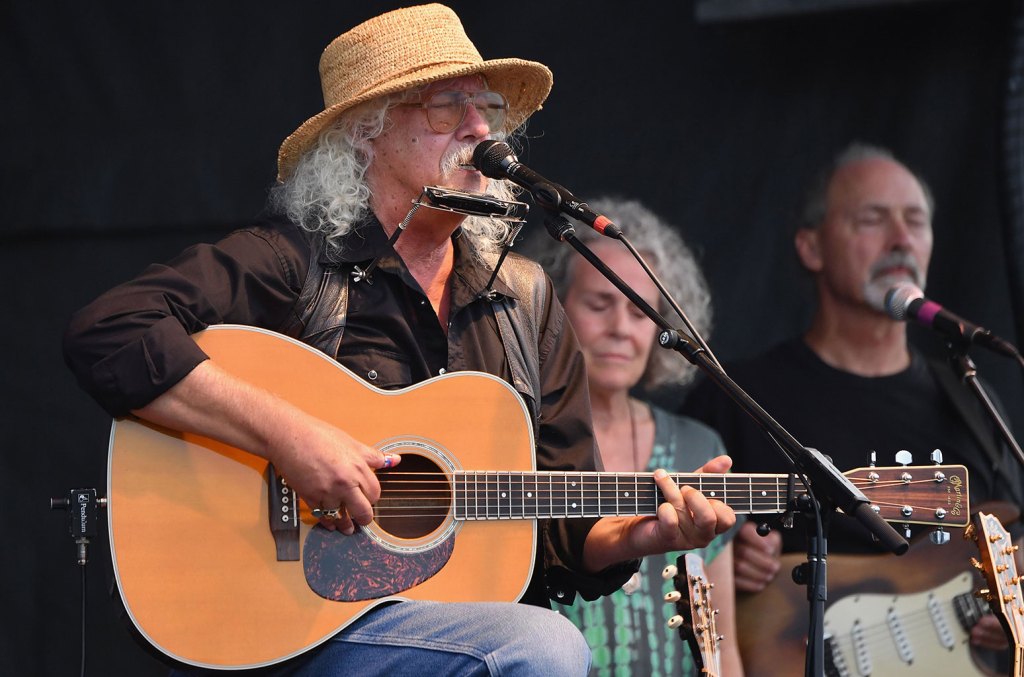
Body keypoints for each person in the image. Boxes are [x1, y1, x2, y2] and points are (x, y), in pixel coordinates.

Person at [63, 5, 735, 676]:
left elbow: (561, 522)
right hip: (297, 625)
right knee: (544, 647)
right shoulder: (292, 263)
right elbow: (110, 331)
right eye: (447, 107)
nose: (479, 129)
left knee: (541, 637)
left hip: (444, 625)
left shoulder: (525, 300)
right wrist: (289, 437)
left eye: (487, 108)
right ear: (366, 131)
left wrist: (644, 535)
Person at [681, 142, 1024, 671]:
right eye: (873, 218)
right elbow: (679, 533)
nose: (901, 239)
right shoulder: (739, 398)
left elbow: (1011, 538)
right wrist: (723, 547)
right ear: (811, 247)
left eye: (916, 221)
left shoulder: (970, 397)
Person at [532, 197, 745, 676]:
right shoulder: (526, 439)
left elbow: (724, 645)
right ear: (554, 310)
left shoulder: (700, 448)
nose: (621, 330)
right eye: (599, 304)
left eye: (639, 312)